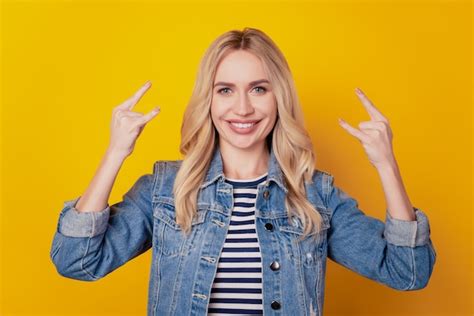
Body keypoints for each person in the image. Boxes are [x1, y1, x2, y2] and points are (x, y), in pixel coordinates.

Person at [50, 27, 436, 316]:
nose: (243, 109)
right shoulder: (165, 190)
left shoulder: (315, 195)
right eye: (225, 90)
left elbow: (407, 272)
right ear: (209, 99)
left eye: (258, 89)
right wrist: (115, 153)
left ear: (278, 97)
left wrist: (387, 165)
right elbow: (76, 260)